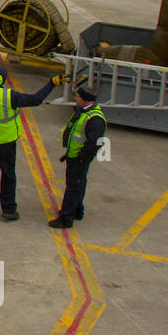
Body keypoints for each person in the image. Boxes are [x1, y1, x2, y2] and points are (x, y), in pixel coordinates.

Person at [0, 65, 60, 221]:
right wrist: (51, 84)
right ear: (1, 80)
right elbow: (35, 100)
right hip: (4, 144)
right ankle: (8, 209)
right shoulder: (8, 96)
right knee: (8, 175)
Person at [50, 86, 107, 229]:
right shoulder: (83, 112)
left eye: (78, 97)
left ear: (85, 100)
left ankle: (66, 218)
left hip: (79, 158)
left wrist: (82, 157)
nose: (75, 99)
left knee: (73, 187)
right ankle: (77, 210)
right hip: (74, 155)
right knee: (78, 184)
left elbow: (94, 142)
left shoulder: (95, 119)